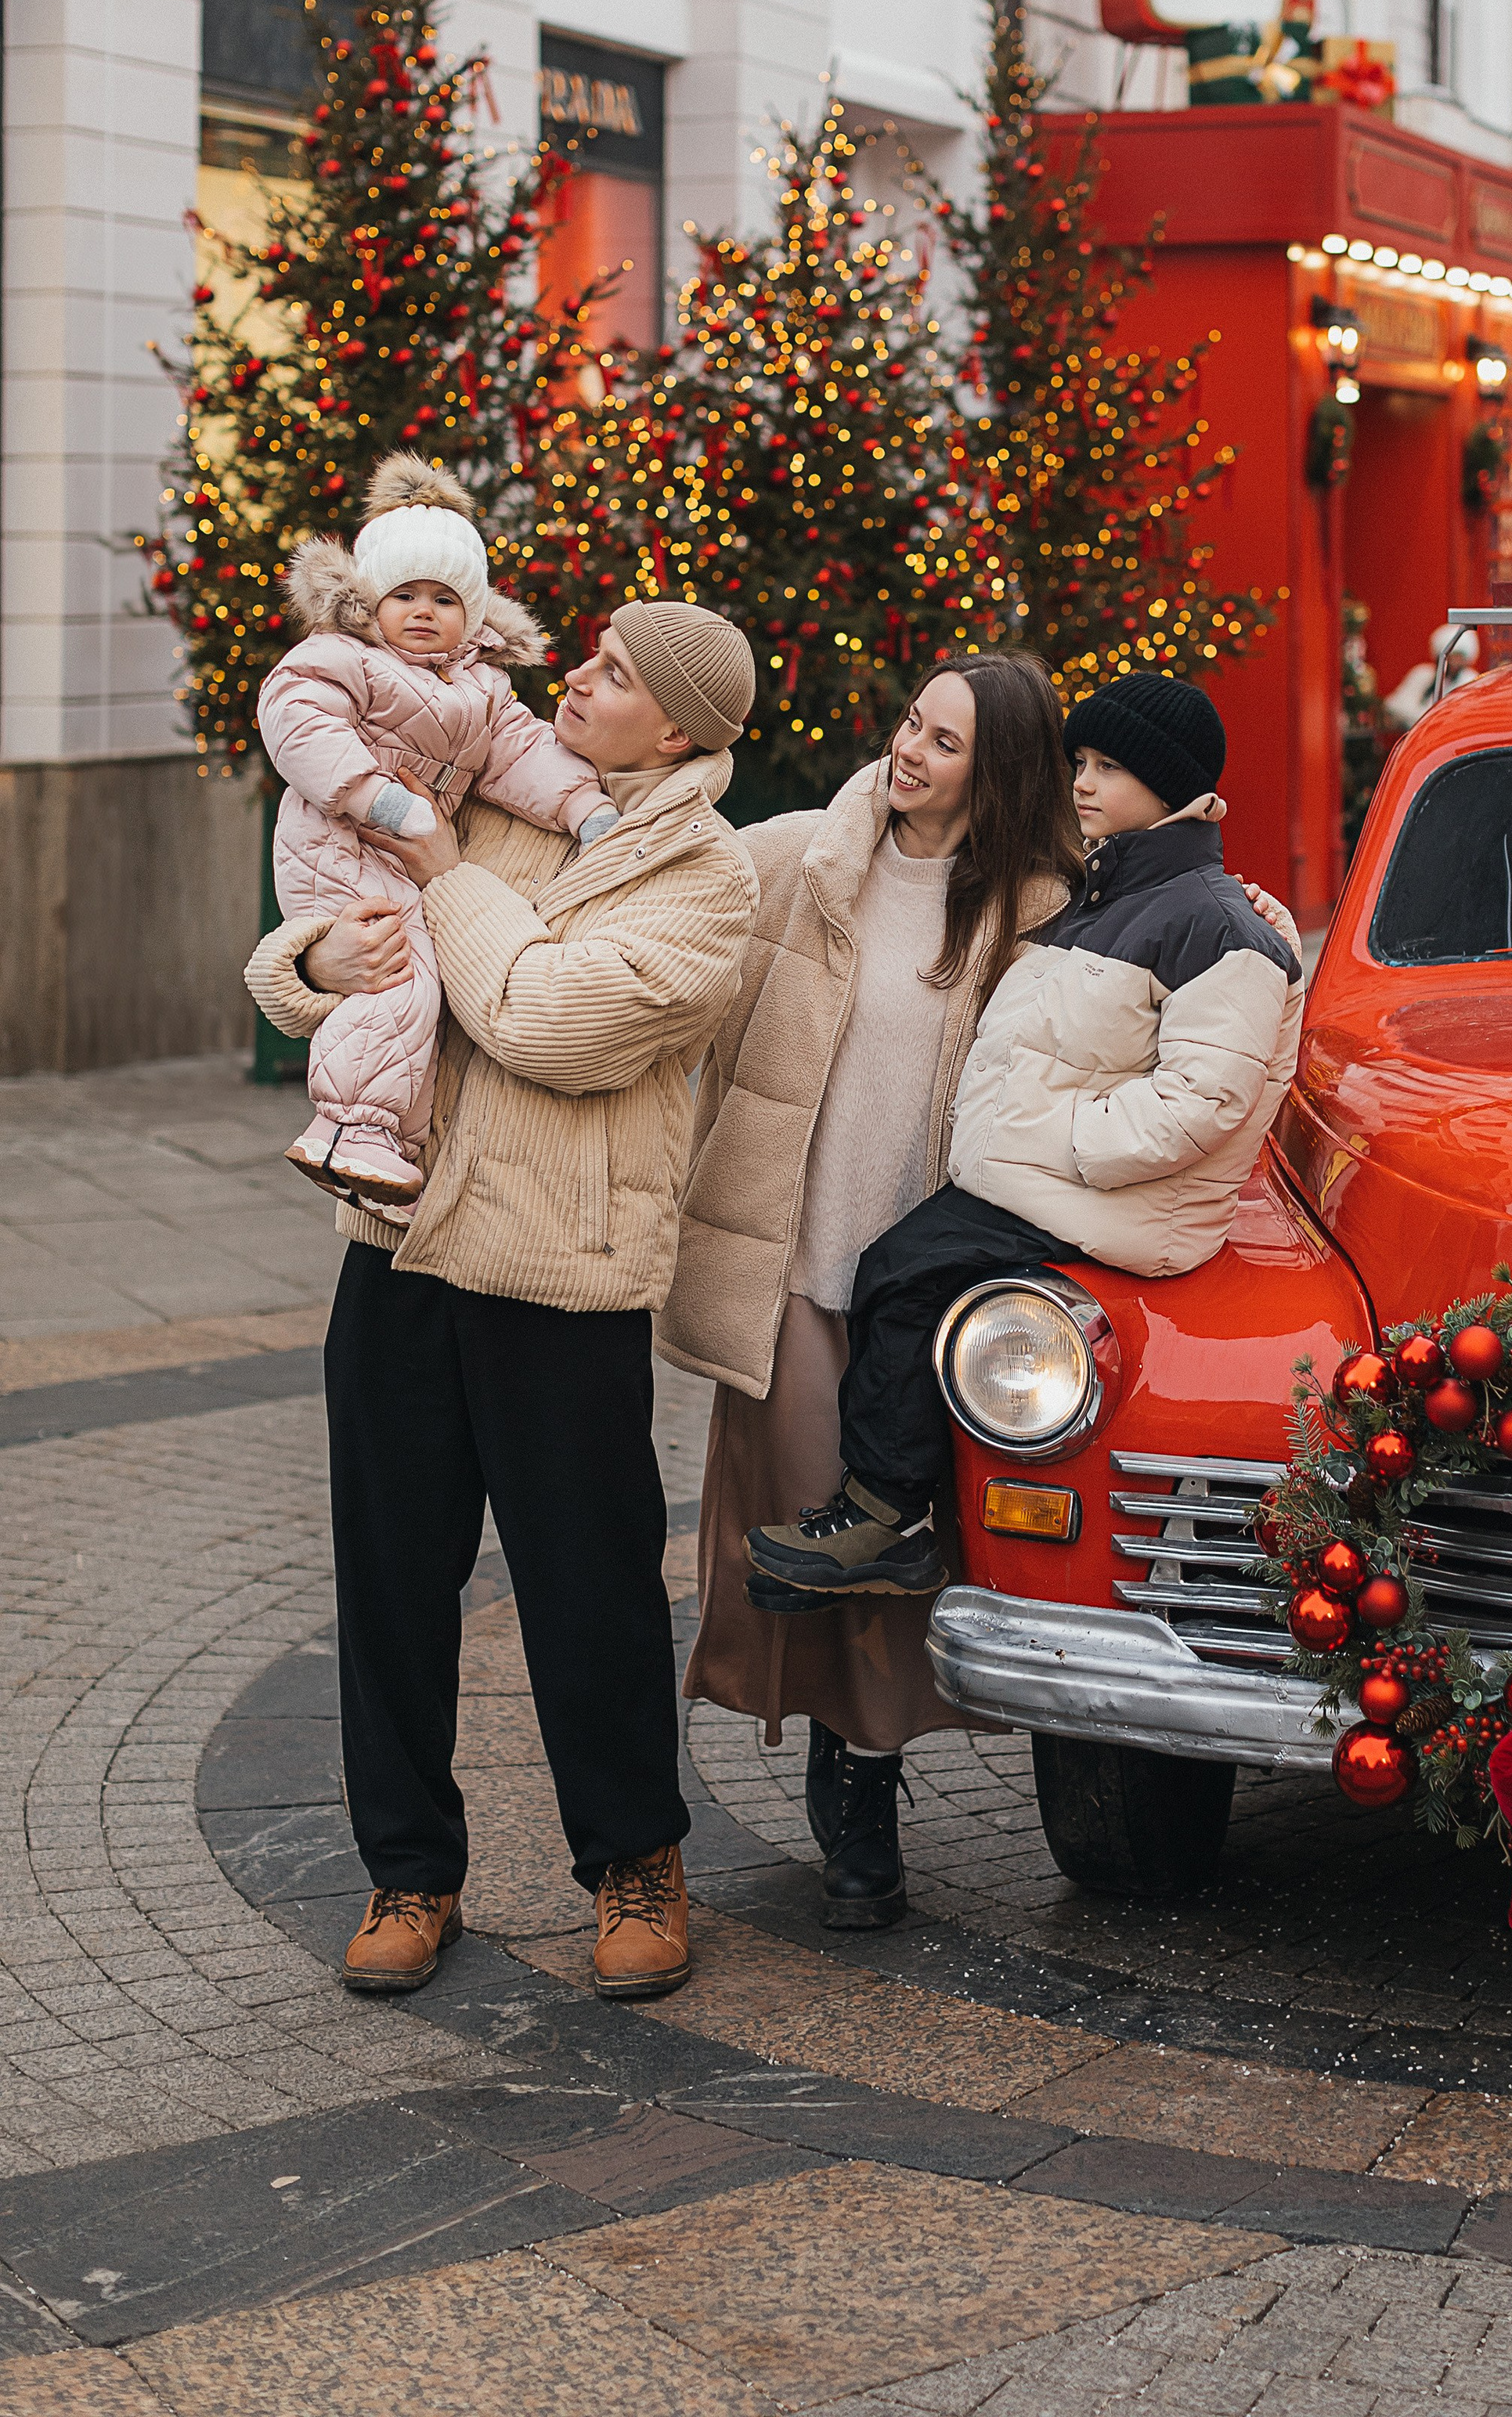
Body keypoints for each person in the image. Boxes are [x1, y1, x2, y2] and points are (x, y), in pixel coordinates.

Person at [244, 599, 759, 2007]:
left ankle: (636, 1866)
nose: (574, 682)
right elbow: (331, 935)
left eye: (611, 675)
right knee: (390, 1582)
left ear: (680, 728)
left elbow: (544, 1022)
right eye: (587, 659)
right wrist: (308, 969)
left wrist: (447, 877)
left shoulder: (703, 875)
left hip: (560, 1274)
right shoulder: (494, 783)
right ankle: (409, 1871)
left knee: (587, 1588)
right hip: (401, 1246)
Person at [665, 654, 1081, 1928]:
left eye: (944, 742)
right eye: (911, 724)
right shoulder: (801, 860)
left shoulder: (1039, 904)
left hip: (928, 1293)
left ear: (993, 772)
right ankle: (845, 1776)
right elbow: (664, 925)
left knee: (900, 1547)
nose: (910, 752)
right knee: (815, 1538)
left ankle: (867, 1778)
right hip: (794, 1267)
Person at [748, 670, 1305, 1601]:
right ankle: (893, 1509)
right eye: (1079, 762)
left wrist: (1061, 1140)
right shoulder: (1113, 892)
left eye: (1110, 767)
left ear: (1171, 788)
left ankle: (888, 1513)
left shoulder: (1211, 923)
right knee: (900, 1274)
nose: (1082, 782)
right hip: (1048, 1180)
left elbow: (1201, 1103)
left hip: (1103, 1201)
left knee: (904, 1276)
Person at [258, 456, 617, 1216]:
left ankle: (387, 1156)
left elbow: (521, 753)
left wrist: (585, 807)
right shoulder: (347, 657)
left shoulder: (482, 686)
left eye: (446, 598)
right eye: (406, 594)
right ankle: (346, 1128)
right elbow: (295, 715)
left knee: (428, 984)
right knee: (404, 973)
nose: (424, 611)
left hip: (398, 852)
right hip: (338, 840)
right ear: (370, 600)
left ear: (474, 611)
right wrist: (379, 800)